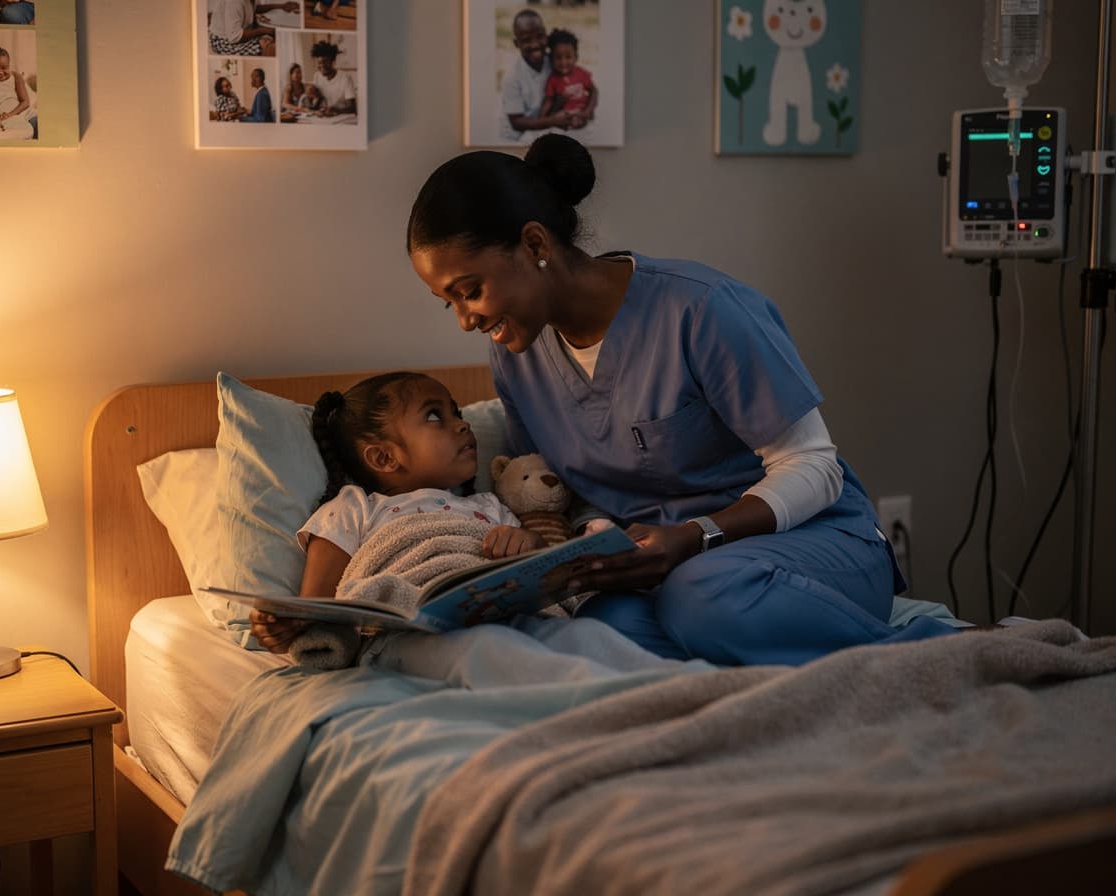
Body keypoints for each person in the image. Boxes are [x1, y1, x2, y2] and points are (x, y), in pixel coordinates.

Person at [400, 134, 959, 667]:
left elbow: (815, 467)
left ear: (535, 244)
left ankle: (936, 649)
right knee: (599, 631)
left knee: (704, 598)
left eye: (469, 292)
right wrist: (592, 547)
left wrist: (694, 537)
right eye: (446, 303)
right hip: (665, 571)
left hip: (800, 543)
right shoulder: (516, 356)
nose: (466, 319)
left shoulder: (701, 310)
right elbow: (561, 492)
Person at [249, 372, 544, 653]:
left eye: (456, 413)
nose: (461, 424)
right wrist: (286, 627)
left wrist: (525, 542)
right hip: (411, 633)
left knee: (577, 636)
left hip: (500, 617)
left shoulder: (489, 505)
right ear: (384, 457)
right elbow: (316, 608)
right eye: (434, 416)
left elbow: (543, 570)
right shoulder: (354, 508)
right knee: (487, 652)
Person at [498, 8, 571, 144]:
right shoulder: (512, 76)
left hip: (542, 129)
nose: (535, 44)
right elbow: (517, 123)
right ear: (516, 43)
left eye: (540, 36)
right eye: (526, 40)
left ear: (546, 36)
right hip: (515, 138)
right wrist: (553, 121)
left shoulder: (554, 63)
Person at [541, 28, 597, 130]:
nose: (563, 62)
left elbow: (593, 91)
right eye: (558, 57)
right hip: (564, 113)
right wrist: (542, 118)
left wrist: (588, 110)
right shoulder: (553, 79)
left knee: (579, 120)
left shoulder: (581, 73)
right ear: (551, 59)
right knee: (557, 119)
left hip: (581, 110)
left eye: (568, 57)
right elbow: (548, 100)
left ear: (576, 57)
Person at [207, 0, 298, 55]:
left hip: (237, 32)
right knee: (264, 45)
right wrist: (263, 31)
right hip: (222, 40)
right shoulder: (234, 2)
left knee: (269, 37)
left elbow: (255, 8)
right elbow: (235, 37)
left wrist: (281, 6)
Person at [309, 40, 356, 117]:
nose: (322, 65)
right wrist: (314, 96)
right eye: (319, 63)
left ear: (333, 61)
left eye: (325, 61)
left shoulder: (345, 78)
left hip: (341, 119)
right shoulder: (316, 76)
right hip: (323, 118)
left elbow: (352, 108)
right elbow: (314, 106)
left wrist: (336, 110)